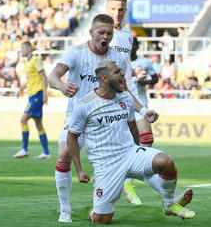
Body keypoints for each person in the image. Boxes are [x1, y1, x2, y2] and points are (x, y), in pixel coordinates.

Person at [48, 14, 158, 223]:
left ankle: (165, 198)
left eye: (109, 33)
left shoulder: (119, 58)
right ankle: (65, 210)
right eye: (101, 32)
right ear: (91, 33)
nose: (105, 36)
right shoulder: (76, 53)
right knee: (63, 153)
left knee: (135, 153)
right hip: (79, 116)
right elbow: (53, 76)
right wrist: (62, 86)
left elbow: (125, 90)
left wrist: (143, 111)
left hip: (109, 119)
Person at [67, 60, 196, 224]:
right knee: (103, 220)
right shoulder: (84, 105)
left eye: (122, 71)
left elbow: (132, 127)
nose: (123, 74)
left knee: (166, 162)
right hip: (106, 163)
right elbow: (72, 136)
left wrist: (138, 150)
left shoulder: (126, 99)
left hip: (129, 152)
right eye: (117, 72)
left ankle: (169, 203)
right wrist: (79, 169)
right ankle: (95, 211)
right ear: (104, 78)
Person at [106, 0, 193, 207]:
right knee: (78, 152)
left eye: (121, 9)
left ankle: (161, 196)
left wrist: (136, 80)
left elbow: (127, 70)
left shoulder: (127, 36)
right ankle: (68, 208)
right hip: (106, 100)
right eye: (114, 9)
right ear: (107, 10)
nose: (118, 13)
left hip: (129, 96)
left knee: (145, 141)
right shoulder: (101, 34)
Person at [13, 41, 50, 159]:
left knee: (23, 120)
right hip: (32, 95)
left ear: (29, 48)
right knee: (39, 124)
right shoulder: (26, 63)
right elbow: (30, 80)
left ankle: (24, 149)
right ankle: (46, 152)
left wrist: (45, 94)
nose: (22, 50)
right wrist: (20, 89)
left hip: (37, 95)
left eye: (23, 47)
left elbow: (44, 77)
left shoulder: (36, 61)